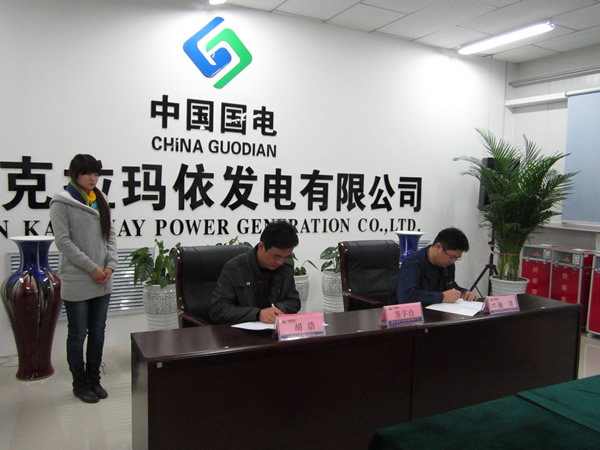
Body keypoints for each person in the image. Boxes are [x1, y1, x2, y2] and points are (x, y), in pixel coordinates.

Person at [49, 154, 118, 404]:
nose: (93, 178)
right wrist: (92, 268)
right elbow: (63, 242)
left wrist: (110, 265)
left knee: (98, 332)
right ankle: (79, 383)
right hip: (78, 279)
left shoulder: (100, 199)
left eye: (97, 174)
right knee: (78, 333)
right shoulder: (61, 202)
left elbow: (110, 235)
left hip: (103, 279)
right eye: (88, 173)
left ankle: (94, 379)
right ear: (75, 174)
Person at [209, 220, 301, 324]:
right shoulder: (235, 269)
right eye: (276, 256)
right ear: (261, 246)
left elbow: (294, 301)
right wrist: (258, 314)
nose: (280, 262)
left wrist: (276, 310)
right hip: (241, 331)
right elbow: (218, 309)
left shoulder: (286, 268)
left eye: (285, 257)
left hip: (274, 329)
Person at [393, 227, 478, 306]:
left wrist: (463, 292)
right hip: (417, 314)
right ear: (438, 247)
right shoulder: (413, 263)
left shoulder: (448, 264)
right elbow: (406, 296)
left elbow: (450, 286)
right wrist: (441, 297)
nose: (452, 261)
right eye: (452, 257)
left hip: (440, 312)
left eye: (456, 259)